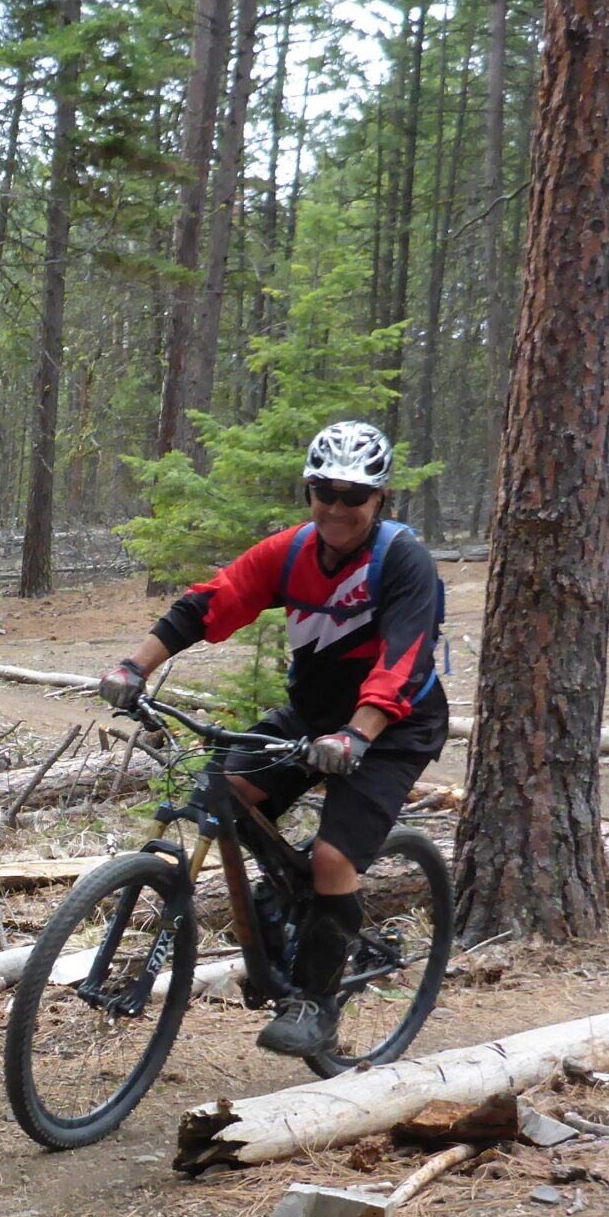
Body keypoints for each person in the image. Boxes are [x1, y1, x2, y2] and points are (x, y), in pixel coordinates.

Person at [97, 420, 447, 1058]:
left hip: (393, 727)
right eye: (325, 492)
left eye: (354, 496)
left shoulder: (402, 561)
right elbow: (209, 604)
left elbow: (404, 659)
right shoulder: (290, 553)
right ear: (309, 492)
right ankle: (283, 895)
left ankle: (316, 1003)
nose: (338, 508)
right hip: (311, 715)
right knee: (228, 788)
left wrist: (358, 733)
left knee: (335, 858)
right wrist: (133, 667)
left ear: (380, 501)